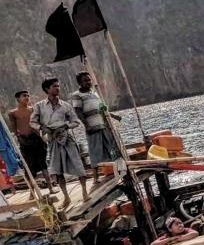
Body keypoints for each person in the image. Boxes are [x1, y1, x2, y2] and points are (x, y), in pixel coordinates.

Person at [29, 78, 88, 208]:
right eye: (54, 86)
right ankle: (66, 197)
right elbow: (32, 122)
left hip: (66, 137)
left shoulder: (65, 105)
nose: (57, 88)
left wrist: (66, 126)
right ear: (47, 89)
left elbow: (75, 121)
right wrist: (42, 128)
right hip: (52, 139)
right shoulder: (39, 106)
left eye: (58, 86)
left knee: (78, 165)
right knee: (57, 169)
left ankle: (85, 192)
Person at [70, 72, 120, 184]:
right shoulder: (77, 95)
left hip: (103, 125)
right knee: (95, 151)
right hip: (92, 127)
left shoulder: (94, 93)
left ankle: (116, 171)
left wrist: (113, 117)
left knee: (109, 148)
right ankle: (95, 178)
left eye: (89, 80)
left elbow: (101, 109)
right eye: (85, 80)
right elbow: (78, 111)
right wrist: (86, 125)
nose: (88, 82)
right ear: (80, 83)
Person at [7, 90, 57, 196]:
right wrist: (19, 137)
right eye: (24, 96)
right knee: (28, 167)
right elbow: (14, 128)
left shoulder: (33, 110)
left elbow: (39, 123)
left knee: (43, 164)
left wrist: (42, 136)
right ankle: (32, 193)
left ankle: (51, 188)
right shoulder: (13, 113)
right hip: (24, 141)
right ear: (18, 99)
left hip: (36, 139)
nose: (27, 97)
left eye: (28, 95)